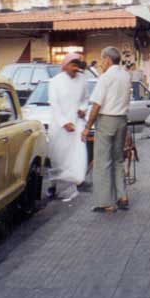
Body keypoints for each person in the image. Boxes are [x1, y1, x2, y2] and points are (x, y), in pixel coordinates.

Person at [81, 47, 131, 213]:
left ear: (108, 59)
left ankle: (105, 202)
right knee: (118, 159)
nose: (101, 63)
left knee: (102, 162)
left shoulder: (105, 78)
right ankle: (122, 196)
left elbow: (96, 104)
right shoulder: (126, 75)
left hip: (106, 120)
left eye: (102, 60)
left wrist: (88, 126)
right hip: (121, 121)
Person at [46, 54, 88, 202]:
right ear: (65, 65)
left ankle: (78, 181)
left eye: (77, 64)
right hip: (59, 126)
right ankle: (54, 185)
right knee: (58, 157)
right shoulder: (55, 82)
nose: (75, 67)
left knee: (78, 153)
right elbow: (54, 105)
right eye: (73, 64)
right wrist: (64, 123)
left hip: (77, 123)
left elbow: (85, 100)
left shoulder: (82, 79)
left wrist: (83, 109)